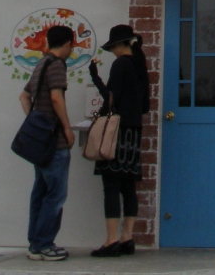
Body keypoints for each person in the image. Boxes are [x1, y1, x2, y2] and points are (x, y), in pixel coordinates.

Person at [89, 24, 151, 258]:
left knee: (111, 186)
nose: (112, 51)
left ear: (119, 44)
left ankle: (111, 239)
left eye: (113, 46)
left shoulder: (120, 64)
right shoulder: (139, 65)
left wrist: (95, 78)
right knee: (128, 186)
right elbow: (144, 104)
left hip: (116, 131)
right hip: (134, 131)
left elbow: (111, 98)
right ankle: (127, 237)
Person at [20, 24, 76, 262]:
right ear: (67, 44)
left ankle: (35, 243)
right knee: (55, 195)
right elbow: (56, 97)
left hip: (40, 143)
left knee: (40, 193)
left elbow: (24, 96)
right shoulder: (57, 65)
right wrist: (66, 127)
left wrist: (34, 122)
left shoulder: (41, 63)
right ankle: (44, 245)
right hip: (55, 143)